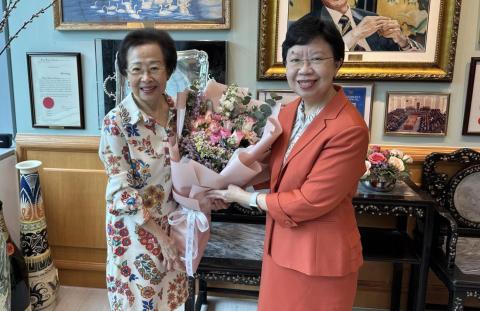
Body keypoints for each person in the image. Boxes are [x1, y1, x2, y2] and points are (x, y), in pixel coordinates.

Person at [206, 15, 369, 310]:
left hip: (320, 259)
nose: (304, 70)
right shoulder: (288, 111)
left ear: (337, 64)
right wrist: (221, 188)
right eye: (295, 60)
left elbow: (310, 200)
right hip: (279, 245)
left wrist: (244, 197)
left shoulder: (349, 128)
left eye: (316, 58)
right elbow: (272, 170)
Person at [98, 29, 188, 311]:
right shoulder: (117, 122)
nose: (146, 78)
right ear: (126, 73)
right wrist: (160, 238)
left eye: (154, 68)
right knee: (141, 300)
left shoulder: (181, 113)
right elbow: (119, 190)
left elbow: (195, 166)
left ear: (169, 70)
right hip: (135, 230)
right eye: (137, 69)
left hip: (175, 224)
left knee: (171, 298)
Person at [311, 0, 423, 51]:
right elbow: (316, 61)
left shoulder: (372, 17)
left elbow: (421, 56)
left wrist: (402, 42)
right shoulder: (307, 25)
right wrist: (353, 35)